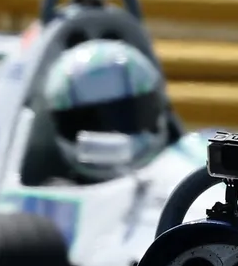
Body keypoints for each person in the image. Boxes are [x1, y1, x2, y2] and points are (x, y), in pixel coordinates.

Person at [37, 39, 172, 182]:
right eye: (91, 121)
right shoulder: (50, 196)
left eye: (126, 115)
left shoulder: (186, 177)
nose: (114, 135)